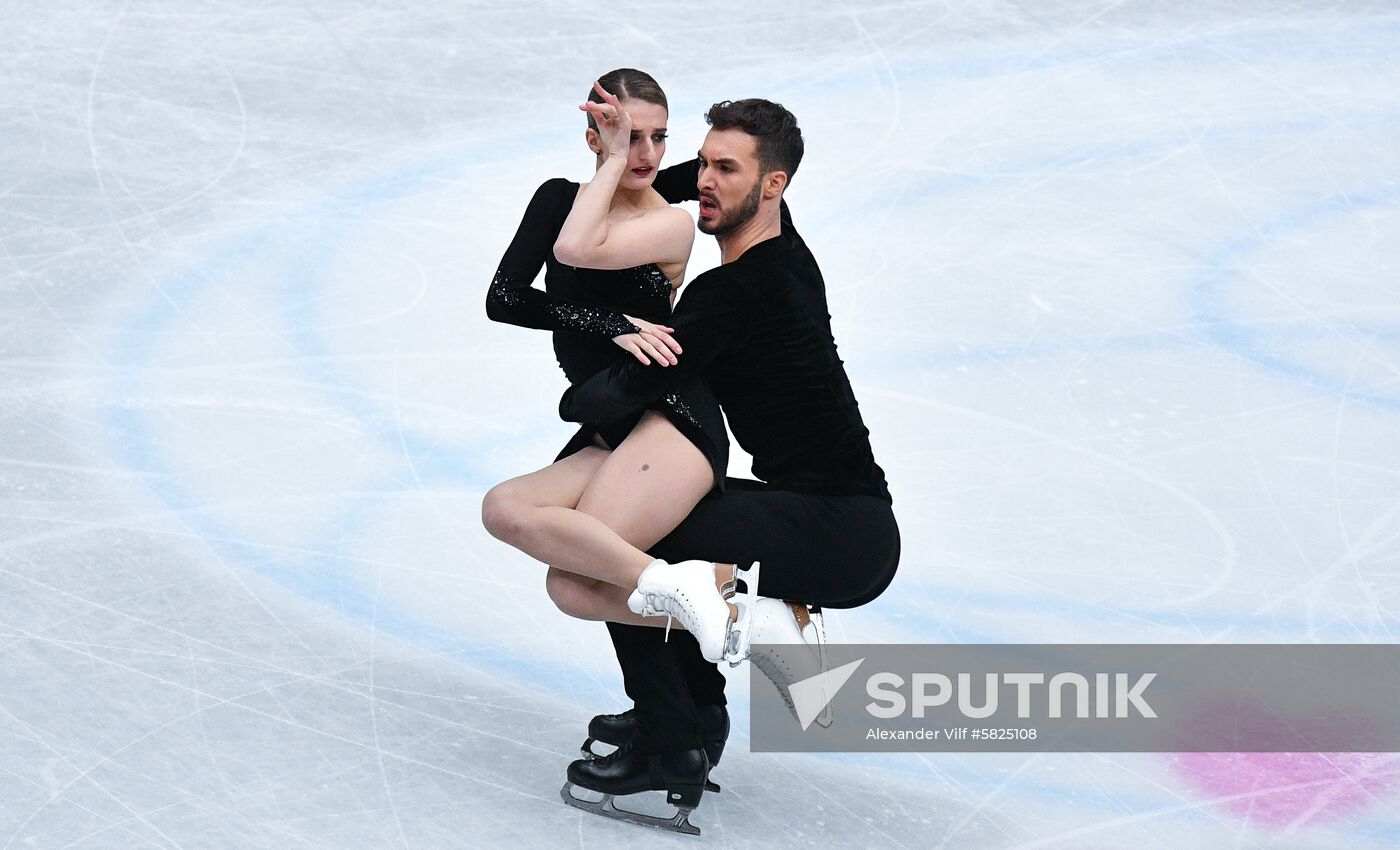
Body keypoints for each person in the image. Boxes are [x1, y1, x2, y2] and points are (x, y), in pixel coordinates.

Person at [553, 98, 901, 834]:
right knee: (649, 534)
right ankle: (694, 715)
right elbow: (707, 185)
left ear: (772, 186)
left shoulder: (732, 295)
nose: (704, 181)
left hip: (836, 531)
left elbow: (624, 389)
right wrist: (638, 161)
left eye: (725, 169)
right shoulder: (785, 252)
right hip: (842, 519)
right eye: (703, 162)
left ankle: (671, 741)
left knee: (625, 541)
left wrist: (580, 362)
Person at [479, 70, 736, 764]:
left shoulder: (669, 220)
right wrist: (608, 319)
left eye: (657, 136)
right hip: (609, 422)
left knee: (589, 570)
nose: (646, 151)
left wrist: (618, 160)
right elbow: (505, 298)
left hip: (668, 416)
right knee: (506, 509)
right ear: (591, 134)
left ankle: (676, 723)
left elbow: (573, 254)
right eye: (628, 135)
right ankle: (695, 705)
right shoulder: (559, 200)